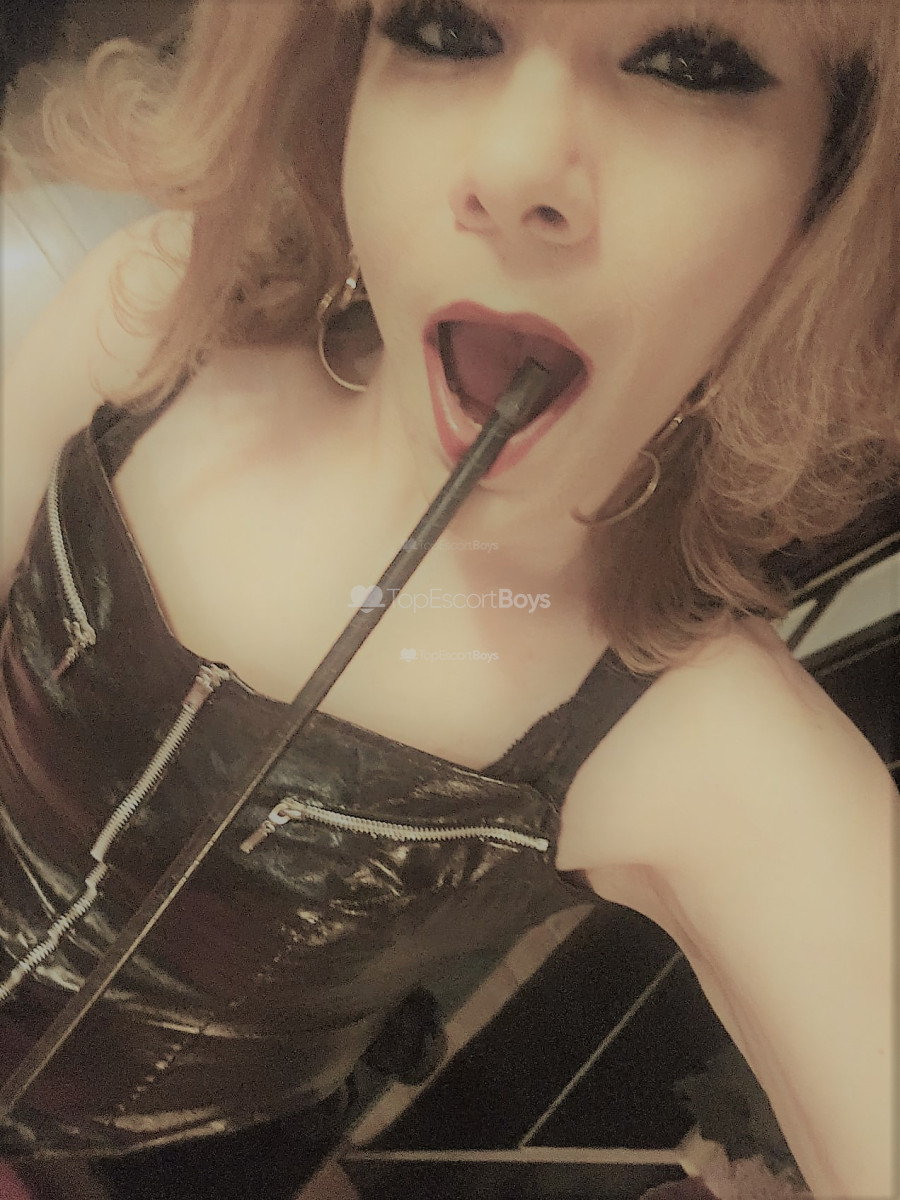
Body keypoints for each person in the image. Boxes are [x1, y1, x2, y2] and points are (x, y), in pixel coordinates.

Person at [1, 0, 897, 1197]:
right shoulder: (162, 318)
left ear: (828, 201)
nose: (515, 170)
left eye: (690, 64)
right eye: (443, 28)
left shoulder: (709, 743)